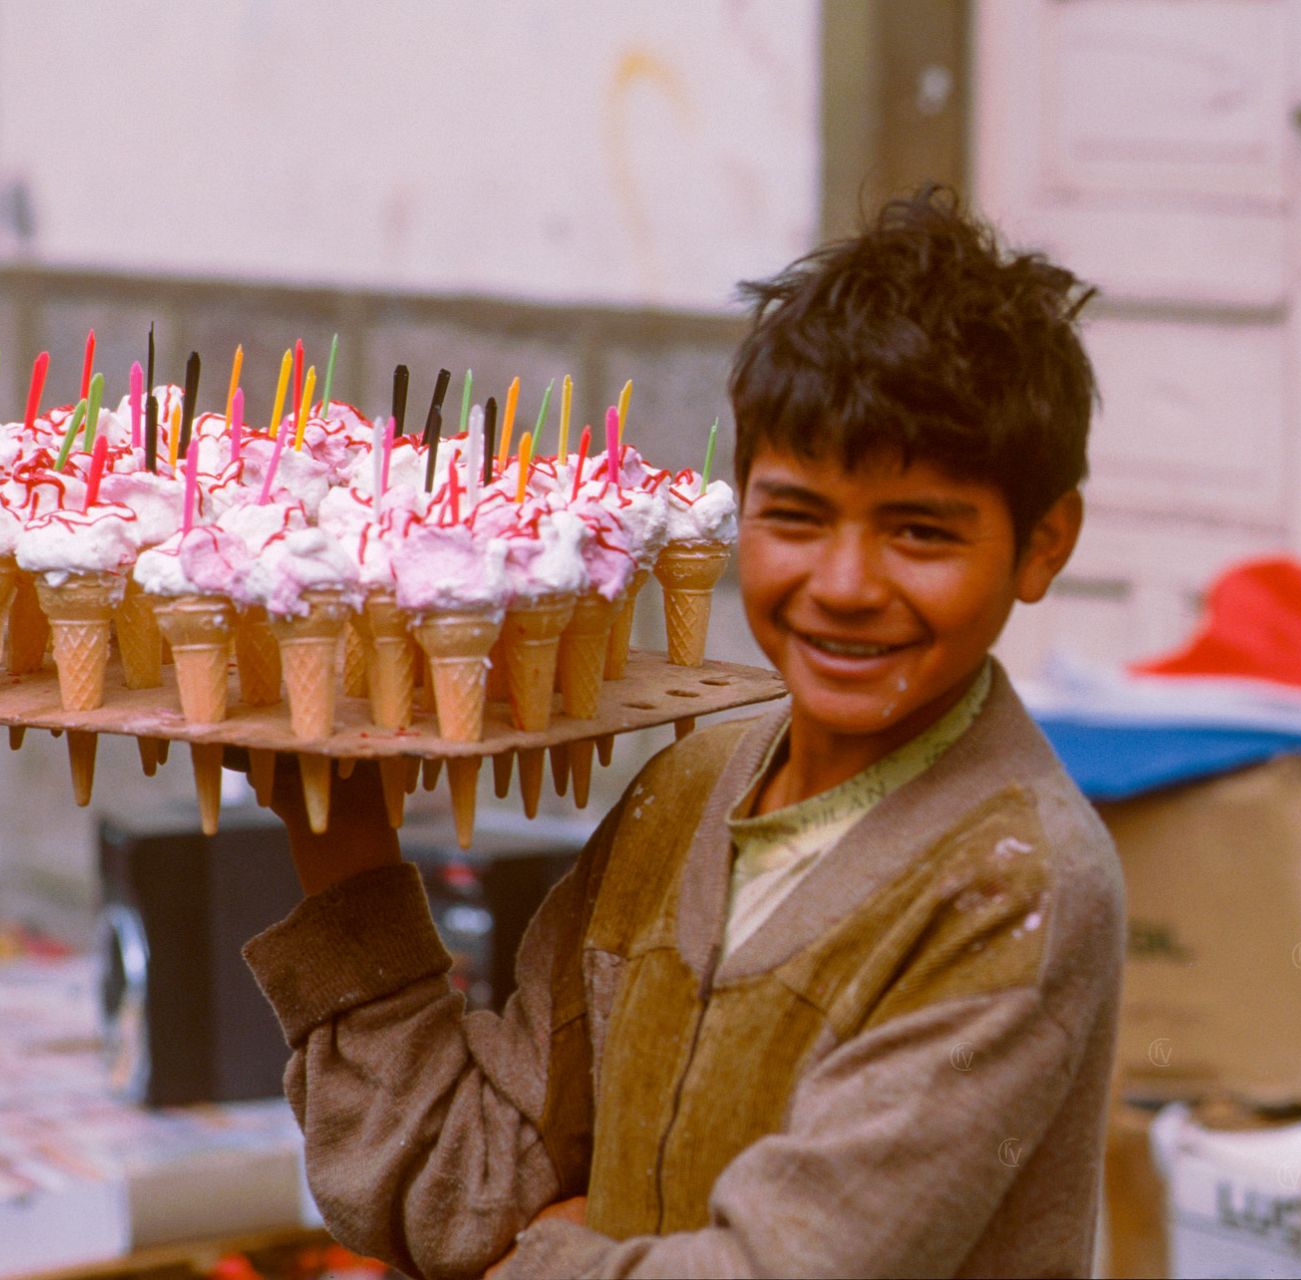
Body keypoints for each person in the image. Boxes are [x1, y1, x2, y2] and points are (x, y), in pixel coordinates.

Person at [242, 187, 1123, 1279]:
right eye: (795, 515)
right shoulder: (688, 788)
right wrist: (346, 847)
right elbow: (458, 1193)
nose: (844, 585)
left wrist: (551, 1252)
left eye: (921, 532)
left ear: (1043, 544)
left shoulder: (1014, 886)